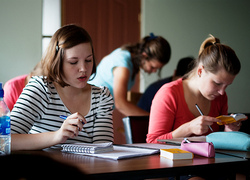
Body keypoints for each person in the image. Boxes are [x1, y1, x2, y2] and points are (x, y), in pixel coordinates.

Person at [11, 24, 114, 151]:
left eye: (88, 60)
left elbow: (103, 150)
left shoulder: (101, 96)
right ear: (57, 62)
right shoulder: (41, 89)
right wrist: (57, 136)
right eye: (73, 62)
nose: (83, 69)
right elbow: (5, 140)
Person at [147, 35, 245, 144]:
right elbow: (152, 142)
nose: (222, 92)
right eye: (217, 83)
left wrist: (229, 131)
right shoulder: (169, 94)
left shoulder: (221, 98)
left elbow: (219, 143)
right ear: (200, 71)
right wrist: (188, 128)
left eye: (227, 85)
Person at [89, 33, 171, 116]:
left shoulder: (130, 62)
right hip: (89, 108)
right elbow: (121, 104)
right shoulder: (123, 63)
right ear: (144, 56)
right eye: (153, 67)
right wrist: (152, 118)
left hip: (98, 111)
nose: (154, 71)